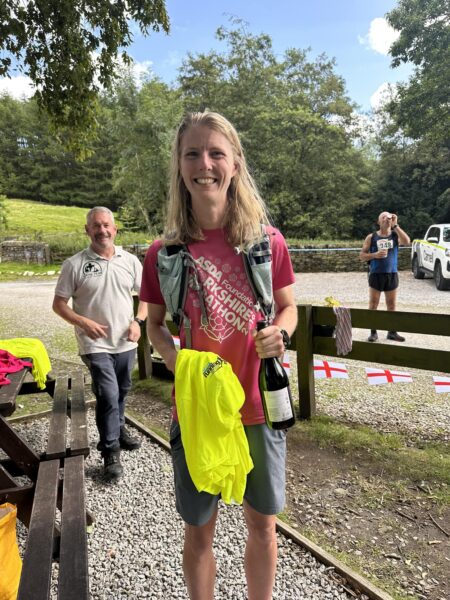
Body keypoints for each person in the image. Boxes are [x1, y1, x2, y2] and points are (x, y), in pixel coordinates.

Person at [140, 111, 297, 600]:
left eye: (215, 153)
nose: (203, 164)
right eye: (192, 153)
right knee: (199, 531)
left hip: (257, 408)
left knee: (263, 526)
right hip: (197, 412)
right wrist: (171, 355)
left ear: (235, 163)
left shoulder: (267, 244)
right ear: (179, 164)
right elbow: (155, 324)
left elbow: (288, 308)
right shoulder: (162, 253)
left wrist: (281, 334)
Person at [52, 206, 147, 481]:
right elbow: (59, 305)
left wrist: (138, 322)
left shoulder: (130, 261)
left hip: (125, 341)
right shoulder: (74, 264)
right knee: (107, 394)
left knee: (122, 390)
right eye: (96, 225)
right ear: (87, 230)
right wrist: (83, 322)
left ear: (115, 229)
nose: (102, 230)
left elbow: (148, 299)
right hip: (95, 344)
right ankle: (110, 452)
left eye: (107, 225)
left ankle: (118, 428)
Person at [360, 211, 410, 342]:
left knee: (392, 305)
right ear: (378, 222)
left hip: (392, 274)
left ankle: (392, 332)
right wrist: (374, 255)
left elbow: (407, 241)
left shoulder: (394, 235)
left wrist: (396, 225)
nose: (386, 219)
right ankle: (373, 332)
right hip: (376, 274)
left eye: (388, 217)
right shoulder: (371, 237)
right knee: (373, 304)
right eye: (383, 217)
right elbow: (362, 256)